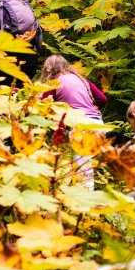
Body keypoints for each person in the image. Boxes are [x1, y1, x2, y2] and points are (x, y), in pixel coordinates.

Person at [39, 55, 105, 187]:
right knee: (84, 166)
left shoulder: (55, 82)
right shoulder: (82, 80)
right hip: (98, 123)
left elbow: (42, 104)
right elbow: (102, 98)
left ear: (49, 70)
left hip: (82, 126)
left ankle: (84, 204)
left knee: (83, 170)